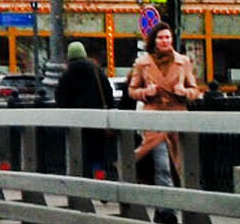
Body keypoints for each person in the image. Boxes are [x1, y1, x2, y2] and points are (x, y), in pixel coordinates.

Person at [127, 24, 203, 199]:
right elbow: (132, 91)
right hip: (154, 118)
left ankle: (180, 202)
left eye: (167, 37)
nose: (165, 41)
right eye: (160, 38)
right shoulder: (142, 63)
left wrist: (184, 92)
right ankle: (167, 207)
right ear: (154, 40)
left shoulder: (183, 62)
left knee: (179, 164)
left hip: (177, 117)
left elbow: (195, 91)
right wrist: (146, 92)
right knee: (162, 164)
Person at [54, 38, 113, 176]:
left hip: (76, 122)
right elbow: (107, 92)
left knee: (78, 152)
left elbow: (61, 97)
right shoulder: (96, 70)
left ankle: (82, 182)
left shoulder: (67, 74)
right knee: (97, 153)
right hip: (97, 119)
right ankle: (99, 179)